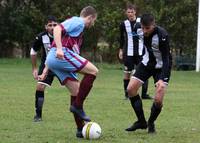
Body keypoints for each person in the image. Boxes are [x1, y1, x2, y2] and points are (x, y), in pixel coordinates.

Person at [38, 6, 98, 138]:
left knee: (76, 91)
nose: (92, 24)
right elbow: (58, 29)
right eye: (94, 21)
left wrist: (46, 69)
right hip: (62, 55)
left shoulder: (78, 31)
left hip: (55, 60)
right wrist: (60, 49)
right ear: (90, 17)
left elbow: (51, 55)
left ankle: (80, 129)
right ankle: (78, 106)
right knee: (93, 71)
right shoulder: (78, 21)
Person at [125, 13, 172, 133]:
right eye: (143, 28)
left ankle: (151, 122)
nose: (145, 31)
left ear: (153, 25)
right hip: (146, 63)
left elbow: (166, 58)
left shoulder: (162, 35)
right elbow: (134, 37)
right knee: (130, 90)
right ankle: (141, 121)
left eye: (148, 28)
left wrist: (162, 79)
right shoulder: (137, 28)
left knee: (158, 99)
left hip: (161, 67)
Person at [118, 4, 151, 100]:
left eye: (132, 12)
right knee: (127, 73)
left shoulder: (141, 22)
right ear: (126, 13)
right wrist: (120, 50)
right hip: (128, 53)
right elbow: (121, 38)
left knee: (145, 72)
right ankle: (127, 95)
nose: (130, 14)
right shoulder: (123, 24)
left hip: (141, 52)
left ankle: (144, 94)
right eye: (128, 12)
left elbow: (148, 33)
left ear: (135, 12)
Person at [30, 16, 58, 122]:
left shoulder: (64, 35)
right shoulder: (41, 37)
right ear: (46, 27)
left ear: (58, 26)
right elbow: (33, 52)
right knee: (40, 87)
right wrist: (34, 68)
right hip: (47, 65)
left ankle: (79, 114)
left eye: (55, 25)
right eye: (50, 25)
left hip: (62, 65)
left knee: (75, 88)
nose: (52, 27)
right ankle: (38, 115)